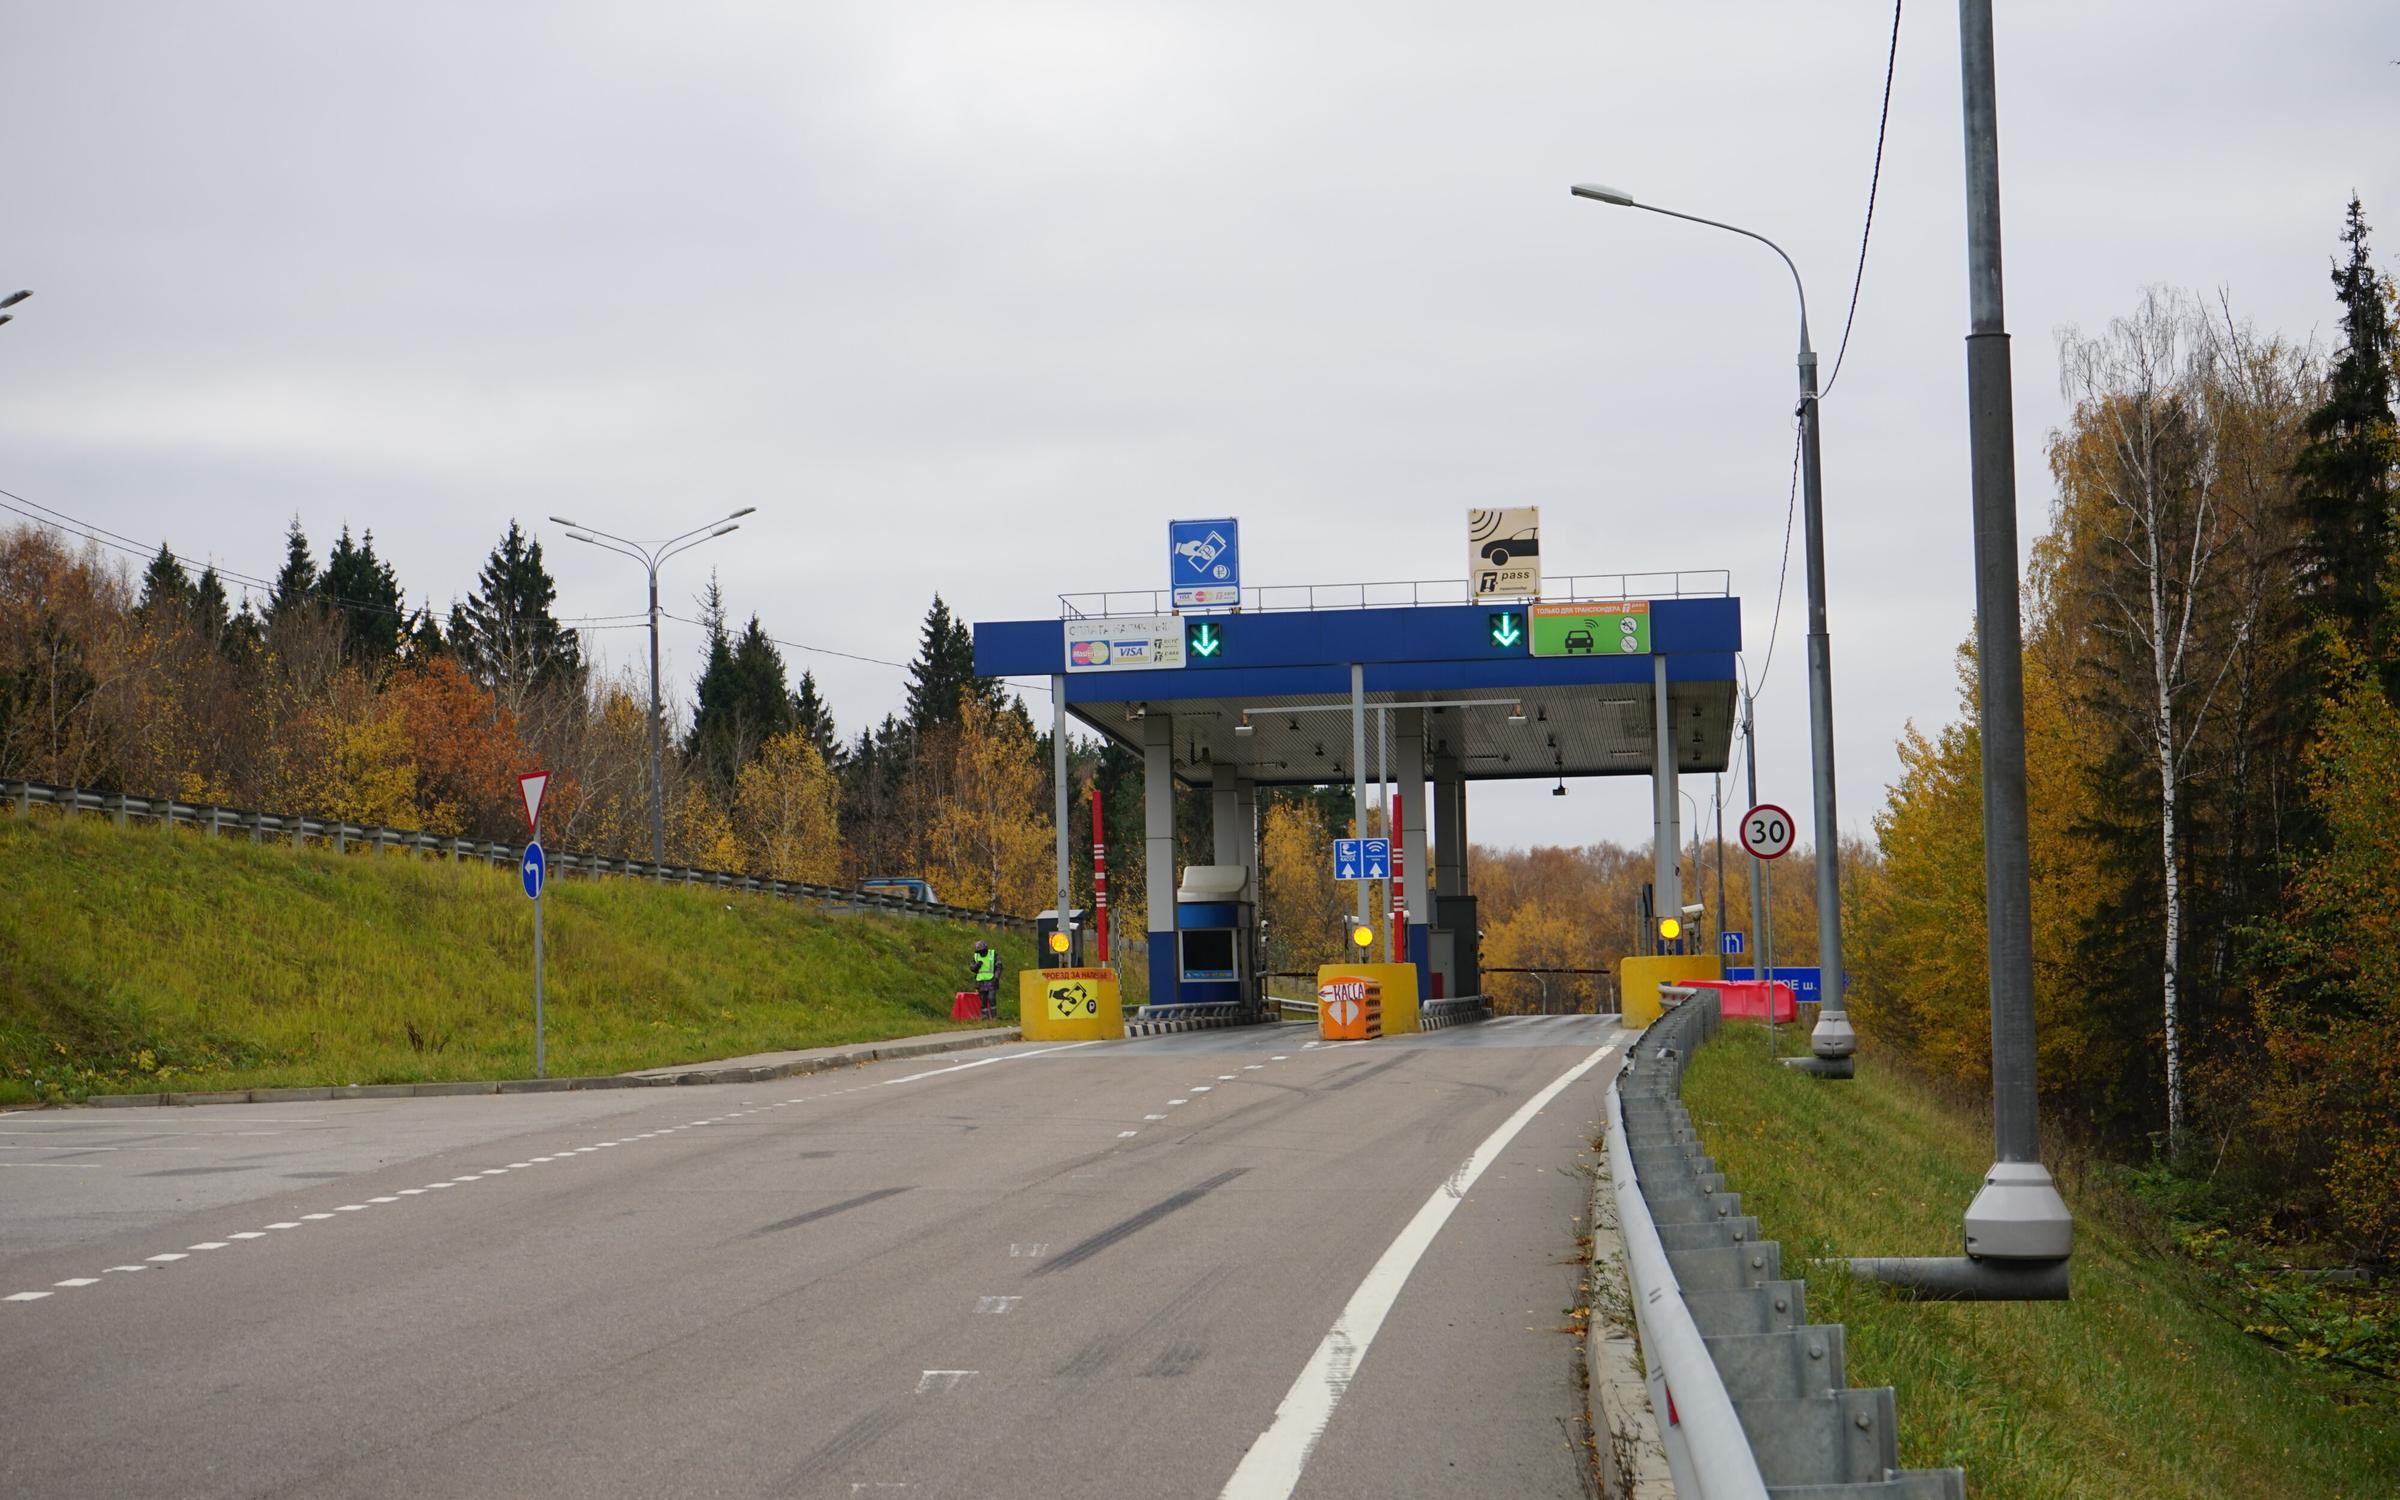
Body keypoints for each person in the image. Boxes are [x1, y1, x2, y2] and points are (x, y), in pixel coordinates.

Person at [971, 940, 1001, 1020]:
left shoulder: (993, 954)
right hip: (980, 982)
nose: (981, 953)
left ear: (986, 949)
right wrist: (977, 966)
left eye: (983, 951)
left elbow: (999, 966)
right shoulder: (976, 956)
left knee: (991, 998)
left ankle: (994, 1017)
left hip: (991, 980)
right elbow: (972, 968)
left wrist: (996, 977)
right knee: (983, 1001)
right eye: (979, 951)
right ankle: (985, 1017)